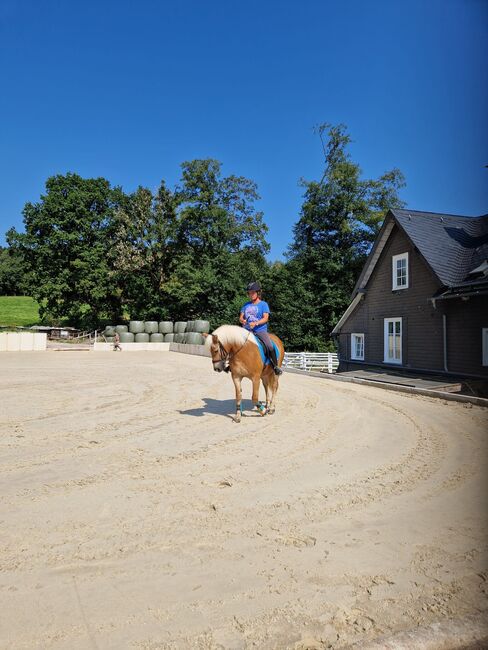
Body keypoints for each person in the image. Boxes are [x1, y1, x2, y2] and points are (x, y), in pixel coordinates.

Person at [240, 281, 282, 375]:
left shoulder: (263, 304)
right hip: (246, 330)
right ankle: (232, 364)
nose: (251, 295)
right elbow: (241, 317)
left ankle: (275, 366)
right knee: (234, 342)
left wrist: (256, 323)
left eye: (253, 293)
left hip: (260, 330)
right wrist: (242, 320)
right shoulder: (246, 305)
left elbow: (265, 318)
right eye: (249, 293)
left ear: (258, 293)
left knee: (269, 346)